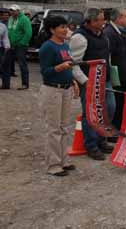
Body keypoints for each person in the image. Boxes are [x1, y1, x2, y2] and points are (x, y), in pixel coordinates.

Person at [70, 8, 116, 160]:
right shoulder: (80, 37)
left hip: (105, 79)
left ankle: (101, 139)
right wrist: (85, 81)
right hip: (89, 81)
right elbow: (73, 63)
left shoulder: (103, 35)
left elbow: (107, 58)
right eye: (102, 19)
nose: (104, 22)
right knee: (90, 114)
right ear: (92, 21)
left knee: (109, 108)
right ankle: (91, 145)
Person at [38, 16, 78, 176]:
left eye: (66, 26)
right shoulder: (47, 47)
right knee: (53, 128)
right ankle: (53, 165)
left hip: (66, 89)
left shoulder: (65, 46)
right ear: (52, 29)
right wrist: (59, 67)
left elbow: (70, 66)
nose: (65, 29)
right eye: (61, 27)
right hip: (52, 90)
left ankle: (64, 160)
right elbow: (45, 72)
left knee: (64, 126)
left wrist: (73, 81)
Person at [103, 8, 126, 130]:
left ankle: (121, 126)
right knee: (117, 103)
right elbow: (109, 56)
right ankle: (114, 128)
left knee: (124, 102)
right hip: (118, 75)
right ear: (118, 18)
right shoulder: (109, 33)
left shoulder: (124, 32)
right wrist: (113, 76)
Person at [3, 5, 32, 90]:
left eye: (13, 10)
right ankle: (6, 84)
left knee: (22, 64)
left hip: (20, 46)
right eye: (11, 10)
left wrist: (22, 43)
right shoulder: (11, 19)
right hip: (11, 45)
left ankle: (25, 84)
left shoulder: (24, 19)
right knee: (5, 63)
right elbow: (9, 31)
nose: (11, 12)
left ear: (18, 11)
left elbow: (28, 33)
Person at [0, 18, 10, 89]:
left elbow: (5, 38)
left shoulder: (3, 26)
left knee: (3, 66)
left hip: (0, 48)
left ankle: (5, 84)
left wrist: (7, 46)